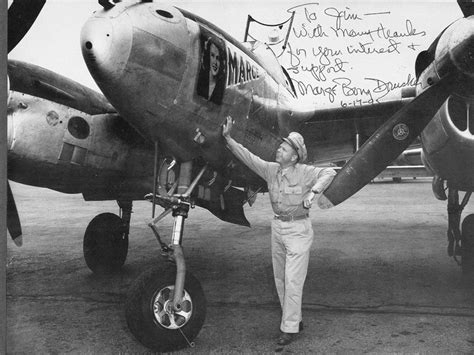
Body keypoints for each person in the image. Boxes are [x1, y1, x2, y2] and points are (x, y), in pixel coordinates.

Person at [222, 116, 336, 346]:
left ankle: (289, 329)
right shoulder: (271, 170)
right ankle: (294, 319)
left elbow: (330, 172)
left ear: (294, 156)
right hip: (278, 227)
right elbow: (248, 157)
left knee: (293, 280)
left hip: (298, 229)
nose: (279, 150)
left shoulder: (304, 171)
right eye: (280, 147)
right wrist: (228, 138)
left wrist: (313, 193)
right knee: (280, 279)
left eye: (283, 148)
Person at [197, 36, 226, 104]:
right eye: (212, 55)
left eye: (218, 58)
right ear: (208, 56)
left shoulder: (221, 88)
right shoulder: (200, 81)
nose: (215, 62)